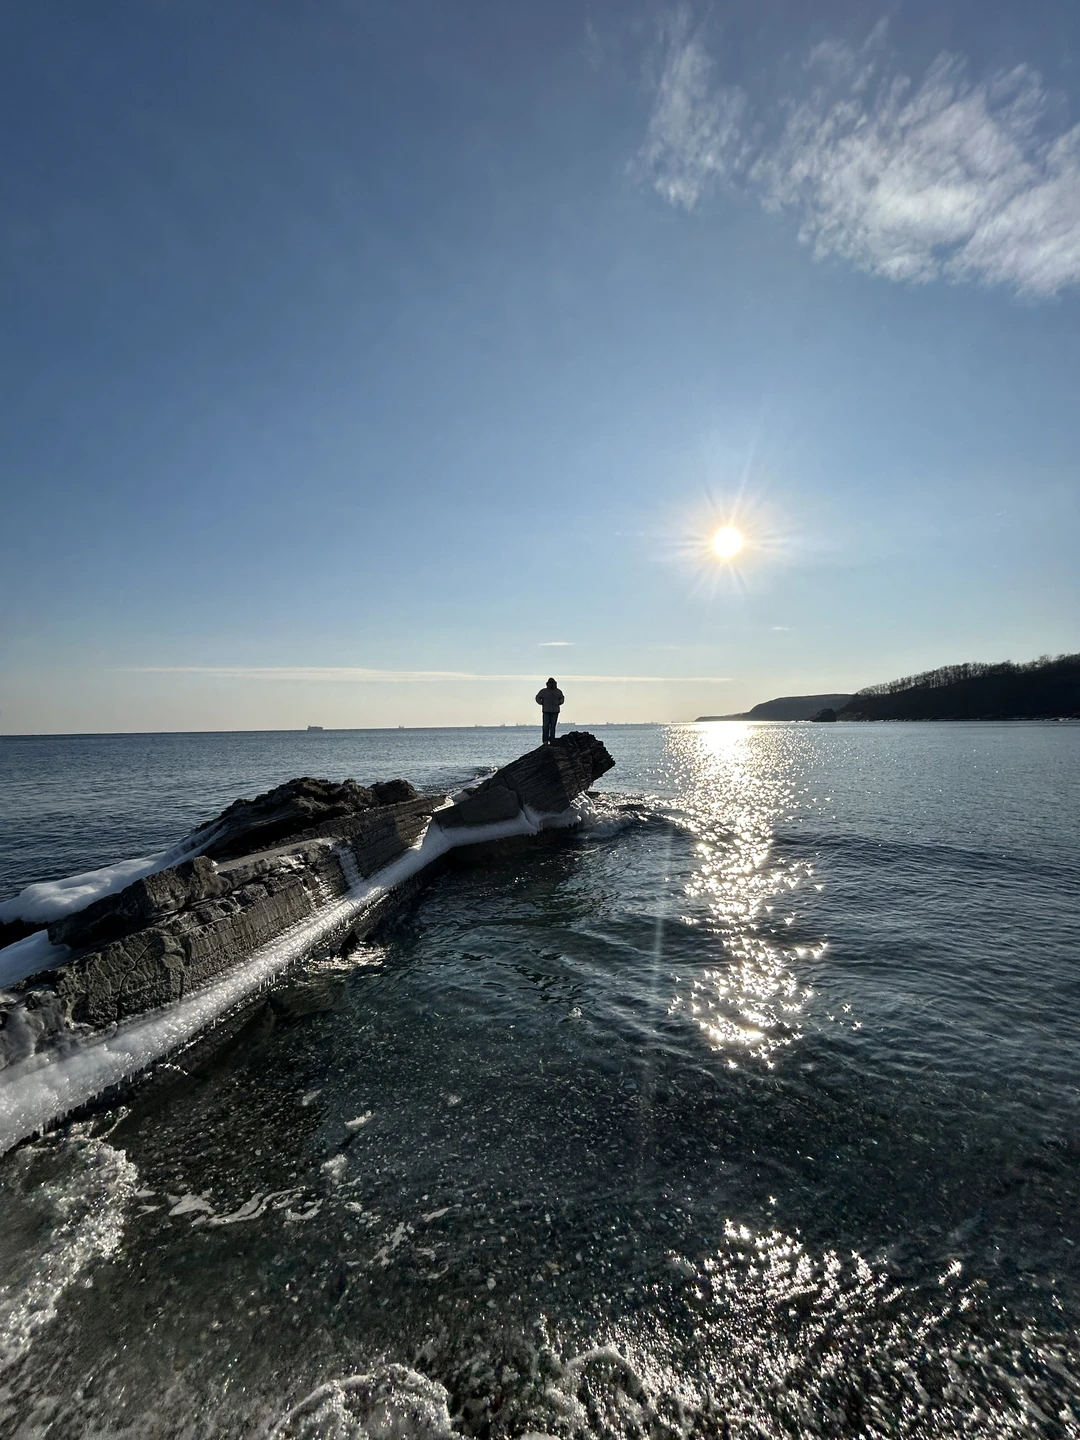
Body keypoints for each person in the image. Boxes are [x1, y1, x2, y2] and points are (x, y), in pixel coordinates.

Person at [536, 677, 564, 744]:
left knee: (553, 726)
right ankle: (545, 741)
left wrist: (559, 702)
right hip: (546, 711)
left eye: (552, 683)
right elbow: (537, 697)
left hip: (555, 711)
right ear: (547, 683)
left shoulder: (558, 691)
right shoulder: (543, 691)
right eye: (550, 683)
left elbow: (562, 698)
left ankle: (552, 740)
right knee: (545, 726)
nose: (551, 684)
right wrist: (541, 702)